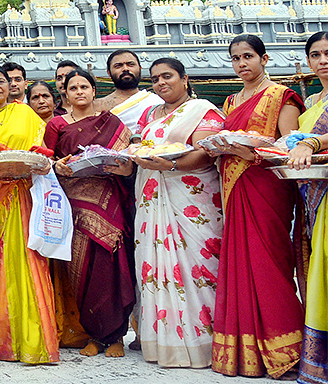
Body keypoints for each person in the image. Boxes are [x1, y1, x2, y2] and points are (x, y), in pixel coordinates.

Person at [212, 34, 304, 378]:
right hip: (234, 187)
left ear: (264, 59)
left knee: (269, 264)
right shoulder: (232, 101)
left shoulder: (283, 96)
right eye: (235, 59)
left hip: (266, 186)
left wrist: (244, 152)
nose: (241, 64)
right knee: (240, 264)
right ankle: (245, 352)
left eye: (248, 56)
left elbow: (289, 146)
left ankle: (286, 351)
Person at [130, 57, 224, 368]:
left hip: (191, 199)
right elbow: (140, 146)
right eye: (155, 79)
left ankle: (205, 342)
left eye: (167, 76)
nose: (161, 83)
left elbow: (206, 152)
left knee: (200, 267)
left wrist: (170, 164)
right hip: (153, 196)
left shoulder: (203, 110)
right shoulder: (151, 114)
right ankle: (166, 342)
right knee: (156, 265)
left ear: (185, 79)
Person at [0, 65, 59, 364]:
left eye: (1, 82)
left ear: (11, 85)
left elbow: (40, 150)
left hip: (22, 194)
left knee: (29, 261)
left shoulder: (26, 114)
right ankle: (1, 343)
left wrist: (42, 161)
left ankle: (35, 341)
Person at [47, 69, 136, 358]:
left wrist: (124, 166)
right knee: (82, 272)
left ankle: (117, 336)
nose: (80, 92)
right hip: (74, 205)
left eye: (85, 86)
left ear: (94, 90)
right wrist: (58, 167)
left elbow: (128, 161)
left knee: (112, 268)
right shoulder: (57, 125)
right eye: (73, 88)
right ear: (66, 93)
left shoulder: (111, 121)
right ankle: (95, 335)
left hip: (109, 200)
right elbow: (46, 161)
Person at [287, 32, 328, 383]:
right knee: (317, 272)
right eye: (315, 55)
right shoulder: (312, 99)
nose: (322, 60)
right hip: (312, 196)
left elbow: (310, 143)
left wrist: (313, 141)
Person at [96, 50, 162, 130]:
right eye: (118, 66)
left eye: (131, 64)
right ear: (109, 73)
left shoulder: (157, 101)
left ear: (140, 69)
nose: (125, 69)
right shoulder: (98, 105)